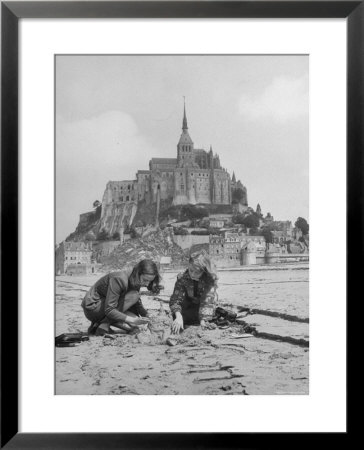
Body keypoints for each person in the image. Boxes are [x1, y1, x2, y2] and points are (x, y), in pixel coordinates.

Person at [82, 259, 162, 336]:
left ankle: (99, 324)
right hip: (93, 309)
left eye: (150, 281)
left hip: (105, 307)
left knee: (138, 327)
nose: (147, 284)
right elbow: (109, 310)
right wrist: (133, 320)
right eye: (145, 280)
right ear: (138, 273)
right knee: (134, 297)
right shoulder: (119, 279)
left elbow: (136, 303)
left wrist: (147, 315)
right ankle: (104, 324)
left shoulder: (134, 278)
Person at [169, 250, 218, 334]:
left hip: (204, 305)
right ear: (188, 265)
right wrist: (178, 315)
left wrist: (203, 320)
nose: (193, 274)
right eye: (191, 270)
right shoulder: (182, 278)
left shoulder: (209, 280)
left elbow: (207, 300)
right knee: (177, 317)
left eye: (197, 272)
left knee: (205, 320)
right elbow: (176, 299)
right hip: (188, 303)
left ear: (204, 271)